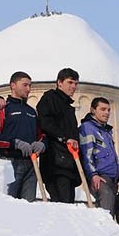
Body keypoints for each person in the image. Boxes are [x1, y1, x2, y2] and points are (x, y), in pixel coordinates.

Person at [0, 71, 45, 201]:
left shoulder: (32, 112)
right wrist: (14, 143)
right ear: (13, 85)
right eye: (24, 85)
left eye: (30, 85)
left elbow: (40, 135)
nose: (28, 89)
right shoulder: (2, 109)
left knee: (29, 207)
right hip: (9, 163)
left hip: (31, 163)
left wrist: (41, 144)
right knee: (8, 204)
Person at [36, 68, 81, 203]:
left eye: (76, 84)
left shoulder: (67, 106)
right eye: (70, 82)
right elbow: (46, 123)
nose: (73, 87)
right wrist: (65, 138)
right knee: (63, 202)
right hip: (56, 162)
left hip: (68, 162)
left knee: (68, 201)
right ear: (59, 83)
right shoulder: (50, 99)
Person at [79, 97, 119, 218]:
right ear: (93, 110)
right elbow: (87, 153)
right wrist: (93, 175)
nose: (107, 113)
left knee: (110, 212)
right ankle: (105, 235)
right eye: (103, 109)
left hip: (112, 179)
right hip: (100, 177)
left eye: (108, 110)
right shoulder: (88, 127)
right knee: (105, 213)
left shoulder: (106, 131)